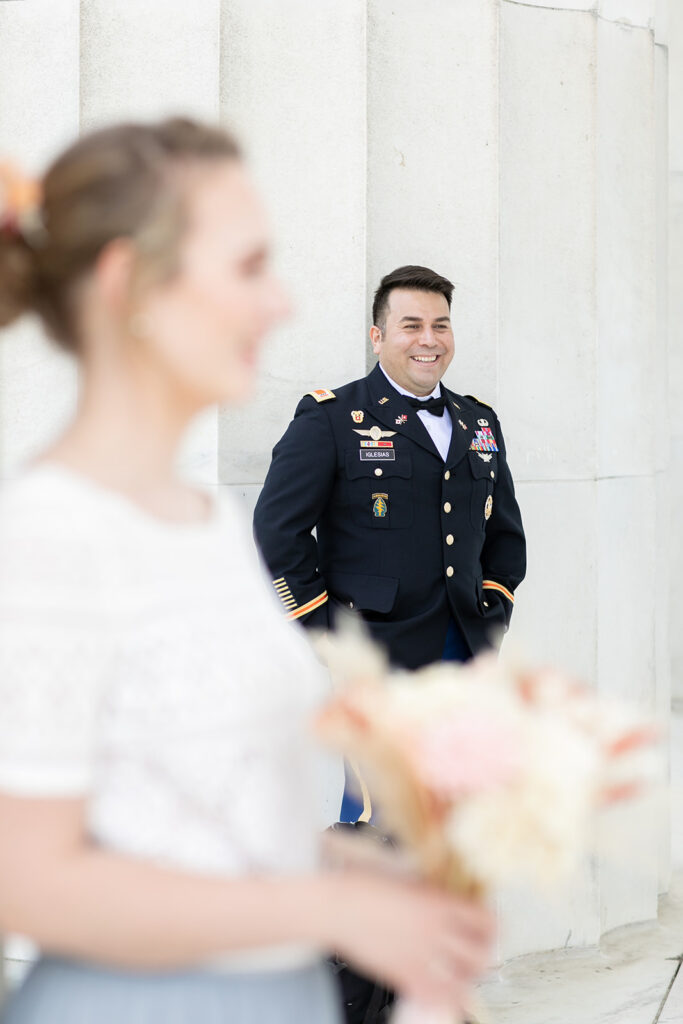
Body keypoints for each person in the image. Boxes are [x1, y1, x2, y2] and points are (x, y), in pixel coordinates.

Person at [0, 121, 493, 1023]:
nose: (279, 304)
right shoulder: (55, 531)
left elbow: (206, 827)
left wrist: (380, 876)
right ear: (129, 284)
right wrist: (326, 907)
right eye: (247, 266)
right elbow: (28, 883)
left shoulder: (203, 523)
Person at [254, 264, 526, 672]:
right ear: (377, 338)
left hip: (468, 653)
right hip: (371, 656)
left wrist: (494, 615)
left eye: (441, 326)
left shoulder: (480, 421)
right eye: (412, 326)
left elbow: (505, 537)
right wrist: (325, 636)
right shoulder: (331, 419)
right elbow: (276, 534)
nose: (429, 340)